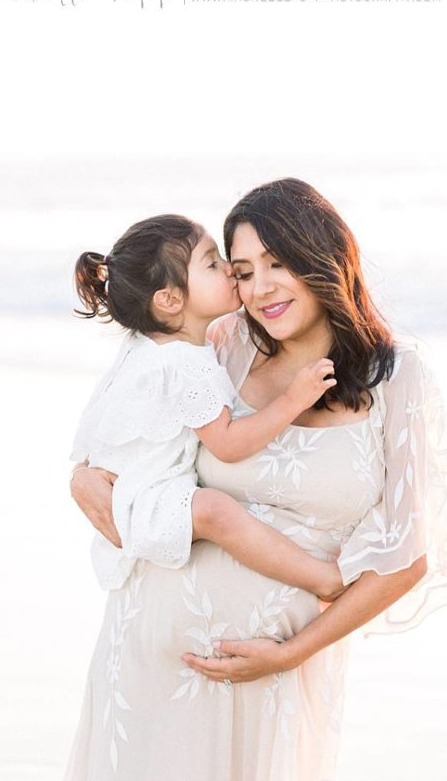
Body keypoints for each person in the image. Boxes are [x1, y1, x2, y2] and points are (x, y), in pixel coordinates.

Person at [8, 178, 447, 781]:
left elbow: (406, 558)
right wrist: (83, 481)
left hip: (280, 678)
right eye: (242, 268)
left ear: (322, 256)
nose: (257, 288)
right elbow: (120, 440)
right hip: (153, 659)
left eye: (274, 264)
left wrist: (294, 650)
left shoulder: (400, 379)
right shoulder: (218, 347)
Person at [70, 213, 344, 600]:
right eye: (213, 263)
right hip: (143, 503)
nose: (231, 270)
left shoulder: (142, 347)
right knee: (215, 509)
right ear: (169, 300)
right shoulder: (188, 363)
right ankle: (317, 578)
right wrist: (292, 400)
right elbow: (227, 444)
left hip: (129, 496)